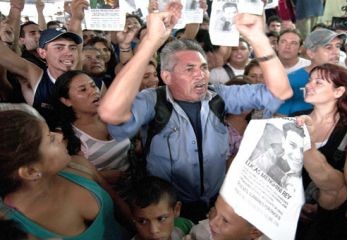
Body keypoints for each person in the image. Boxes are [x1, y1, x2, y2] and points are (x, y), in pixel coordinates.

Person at [98, 8, 292, 222]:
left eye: (204, 67)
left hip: (215, 205)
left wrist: (259, 39)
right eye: (189, 69)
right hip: (170, 213)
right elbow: (111, 113)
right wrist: (150, 43)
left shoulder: (219, 95)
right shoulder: (153, 101)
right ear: (166, 75)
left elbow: (280, 92)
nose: (200, 75)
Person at [0, 109, 124, 239]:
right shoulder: (13, 229)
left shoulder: (78, 166)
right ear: (31, 171)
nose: (60, 136)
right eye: (50, 138)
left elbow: (118, 204)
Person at [0, 0, 87, 128]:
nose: (68, 53)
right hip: (50, 144)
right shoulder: (36, 76)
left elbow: (75, 35)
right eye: (59, 47)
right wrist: (14, 12)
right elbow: (4, 55)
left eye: (72, 48)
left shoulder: (82, 77)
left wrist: (77, 17)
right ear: (42, 53)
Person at [52, 70, 131, 186]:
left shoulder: (113, 117)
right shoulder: (65, 137)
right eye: (83, 90)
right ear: (66, 101)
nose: (93, 91)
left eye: (93, 85)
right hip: (103, 200)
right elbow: (63, 178)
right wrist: (100, 177)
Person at [277, 28, 346, 116]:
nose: (336, 52)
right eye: (328, 47)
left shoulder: (345, 80)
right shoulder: (290, 81)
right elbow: (280, 117)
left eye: (338, 46)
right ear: (311, 53)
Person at [126, 176, 193, 240]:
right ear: (133, 218)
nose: (153, 230)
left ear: (176, 210)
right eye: (142, 221)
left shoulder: (184, 226)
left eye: (161, 219)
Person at [186, 195, 268, 240]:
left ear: (255, 232)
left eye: (225, 220)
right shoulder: (200, 233)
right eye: (215, 209)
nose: (211, 222)